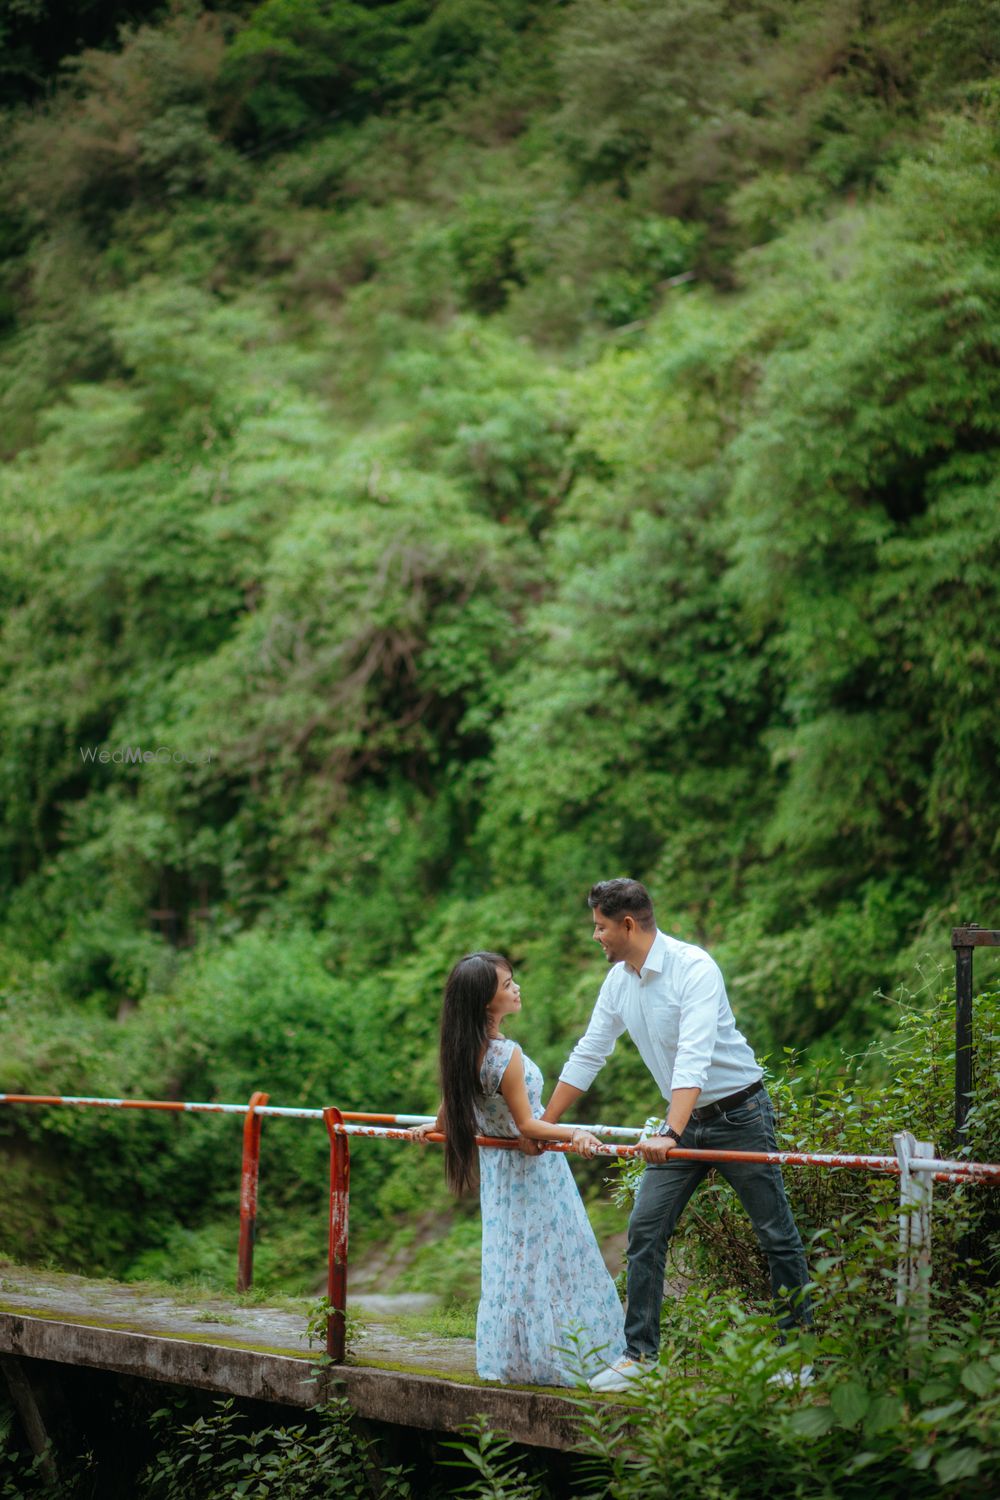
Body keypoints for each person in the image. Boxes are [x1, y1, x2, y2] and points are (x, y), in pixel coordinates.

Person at [540, 879, 812, 1393]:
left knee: (776, 1234)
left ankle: (798, 1357)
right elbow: (590, 1052)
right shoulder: (618, 981)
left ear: (626, 924)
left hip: (739, 1117)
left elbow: (695, 1054)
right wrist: (546, 1124)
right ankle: (640, 1358)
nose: (595, 936)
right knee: (644, 1232)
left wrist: (670, 1130)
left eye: (599, 926)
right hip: (682, 1125)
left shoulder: (694, 968)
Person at [410, 951, 626, 1387]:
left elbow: (449, 1114)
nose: (516, 989)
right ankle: (569, 1359)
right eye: (507, 985)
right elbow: (528, 1125)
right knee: (557, 1260)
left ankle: (518, 1360)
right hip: (536, 1174)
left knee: (514, 1262)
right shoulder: (505, 1054)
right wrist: (577, 1132)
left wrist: (428, 1128)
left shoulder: (463, 1052)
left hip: (501, 1175)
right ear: (487, 1003)